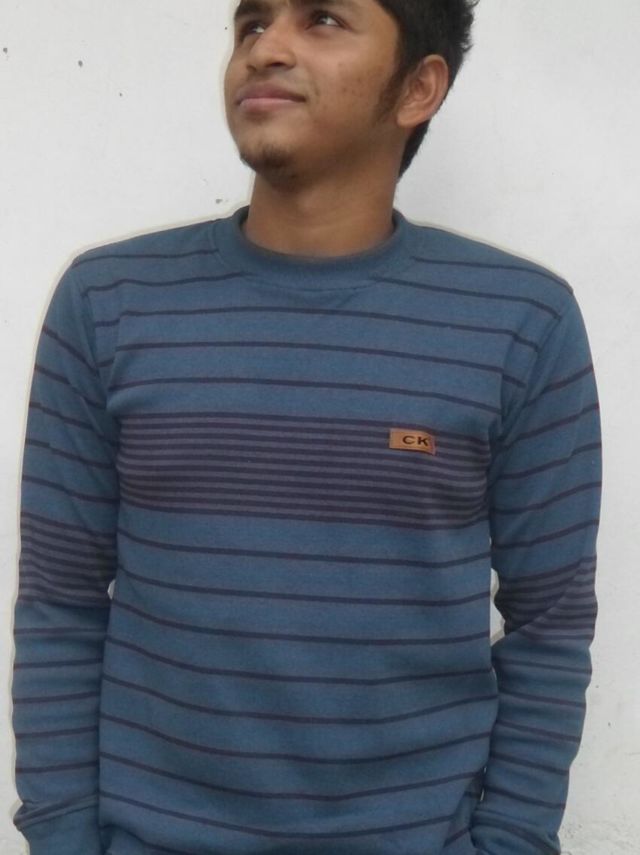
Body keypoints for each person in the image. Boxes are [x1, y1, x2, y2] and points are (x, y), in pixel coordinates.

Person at [10, 1, 602, 853]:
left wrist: (510, 840)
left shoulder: (522, 322)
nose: (267, 49)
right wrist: (65, 837)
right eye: (252, 23)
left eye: (322, 19)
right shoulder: (108, 303)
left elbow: (549, 624)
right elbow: (60, 602)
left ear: (418, 88)